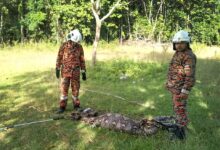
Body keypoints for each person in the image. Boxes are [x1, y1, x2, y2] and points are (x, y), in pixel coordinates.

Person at [166, 30, 197, 140]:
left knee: (180, 110)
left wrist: (185, 90)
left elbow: (189, 76)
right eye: (177, 43)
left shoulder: (188, 56)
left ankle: (180, 135)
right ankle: (177, 128)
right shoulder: (178, 53)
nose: (179, 45)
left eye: (182, 43)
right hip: (175, 88)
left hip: (181, 89)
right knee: (177, 108)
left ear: (187, 43)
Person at [55, 29, 86, 113]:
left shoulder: (80, 47)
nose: (76, 43)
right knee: (63, 89)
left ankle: (76, 106)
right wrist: (57, 68)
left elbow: (82, 59)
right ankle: (62, 107)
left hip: (76, 72)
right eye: (76, 41)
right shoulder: (63, 46)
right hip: (65, 72)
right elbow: (59, 57)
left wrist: (83, 71)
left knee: (75, 89)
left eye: (77, 42)